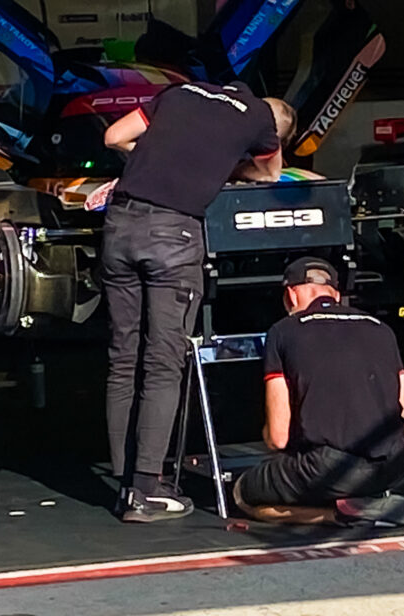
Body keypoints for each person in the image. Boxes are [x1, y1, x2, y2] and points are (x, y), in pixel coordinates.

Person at [102, 80, 297, 523]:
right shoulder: (261, 119)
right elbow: (269, 174)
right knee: (163, 362)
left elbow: (113, 137)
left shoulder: (179, 92)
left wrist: (159, 159)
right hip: (172, 235)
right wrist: (222, 167)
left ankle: (124, 477)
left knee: (122, 355)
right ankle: (145, 491)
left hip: (121, 224)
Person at [233, 257, 404, 526]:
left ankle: (339, 516)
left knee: (244, 494)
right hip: (393, 465)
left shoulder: (283, 332)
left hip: (329, 468)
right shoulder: (382, 330)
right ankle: (364, 501)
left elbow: (278, 437)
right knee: (319, 473)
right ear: (337, 295)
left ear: (291, 295)